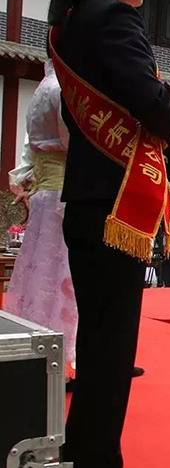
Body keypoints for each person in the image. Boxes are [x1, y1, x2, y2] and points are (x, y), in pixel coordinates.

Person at [49, 0, 170, 464]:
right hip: (117, 205)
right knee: (112, 345)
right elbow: (152, 102)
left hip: (86, 200)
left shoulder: (69, 23)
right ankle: (96, 455)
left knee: (97, 335)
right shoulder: (114, 18)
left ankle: (81, 443)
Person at [5, 60, 77, 381]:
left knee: (39, 275)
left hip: (46, 194)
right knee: (61, 276)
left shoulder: (41, 88)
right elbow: (72, 144)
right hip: (64, 193)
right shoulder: (62, 88)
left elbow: (31, 150)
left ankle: (33, 345)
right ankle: (59, 356)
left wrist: (27, 181)